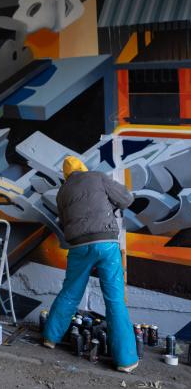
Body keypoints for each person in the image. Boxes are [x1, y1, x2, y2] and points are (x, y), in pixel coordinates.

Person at [43, 156, 138, 373]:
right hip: (106, 244)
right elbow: (126, 199)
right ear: (83, 168)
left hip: (78, 247)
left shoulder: (62, 192)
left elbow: (65, 219)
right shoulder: (98, 177)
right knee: (114, 300)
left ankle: (50, 337)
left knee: (70, 292)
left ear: (66, 175)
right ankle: (126, 360)